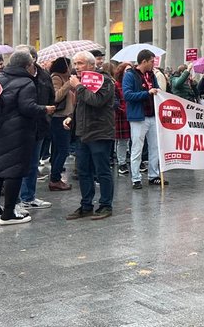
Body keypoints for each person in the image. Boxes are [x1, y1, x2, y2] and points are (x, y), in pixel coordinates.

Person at [0, 49, 54, 226]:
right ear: (28, 65)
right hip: (17, 133)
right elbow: (27, 108)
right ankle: (9, 213)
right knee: (14, 172)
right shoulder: (26, 82)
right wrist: (45, 109)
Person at [64, 51, 116, 220]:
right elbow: (81, 105)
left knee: (102, 171)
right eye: (75, 64)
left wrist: (78, 86)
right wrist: (71, 118)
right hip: (82, 132)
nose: (76, 67)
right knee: (83, 171)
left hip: (100, 131)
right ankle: (86, 204)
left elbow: (97, 101)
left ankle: (105, 205)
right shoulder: (82, 81)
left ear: (92, 65)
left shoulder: (105, 80)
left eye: (80, 63)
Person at [122, 49, 167, 189]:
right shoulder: (130, 75)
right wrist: (146, 93)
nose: (154, 64)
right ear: (144, 61)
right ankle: (136, 178)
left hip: (152, 115)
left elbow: (157, 89)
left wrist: (157, 91)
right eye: (152, 61)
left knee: (155, 147)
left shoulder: (151, 75)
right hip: (138, 117)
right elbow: (127, 95)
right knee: (137, 148)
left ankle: (153, 175)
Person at [17, 47, 55, 211]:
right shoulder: (15, 76)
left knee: (33, 164)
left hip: (39, 124)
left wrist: (46, 115)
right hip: (19, 127)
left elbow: (51, 96)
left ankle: (28, 196)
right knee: (19, 164)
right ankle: (16, 199)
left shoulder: (44, 75)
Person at [48, 57, 74, 192]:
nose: (72, 67)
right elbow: (56, 96)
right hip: (58, 117)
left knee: (59, 149)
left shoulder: (68, 77)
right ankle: (55, 178)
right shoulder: (56, 77)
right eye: (70, 65)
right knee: (63, 149)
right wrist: (68, 84)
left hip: (67, 116)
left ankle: (55, 175)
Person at [113, 62, 132, 175]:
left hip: (133, 114)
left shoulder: (133, 83)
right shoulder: (116, 84)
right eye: (127, 70)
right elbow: (115, 101)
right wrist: (122, 110)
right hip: (122, 115)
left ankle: (135, 162)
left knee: (134, 140)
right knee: (122, 141)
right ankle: (122, 163)